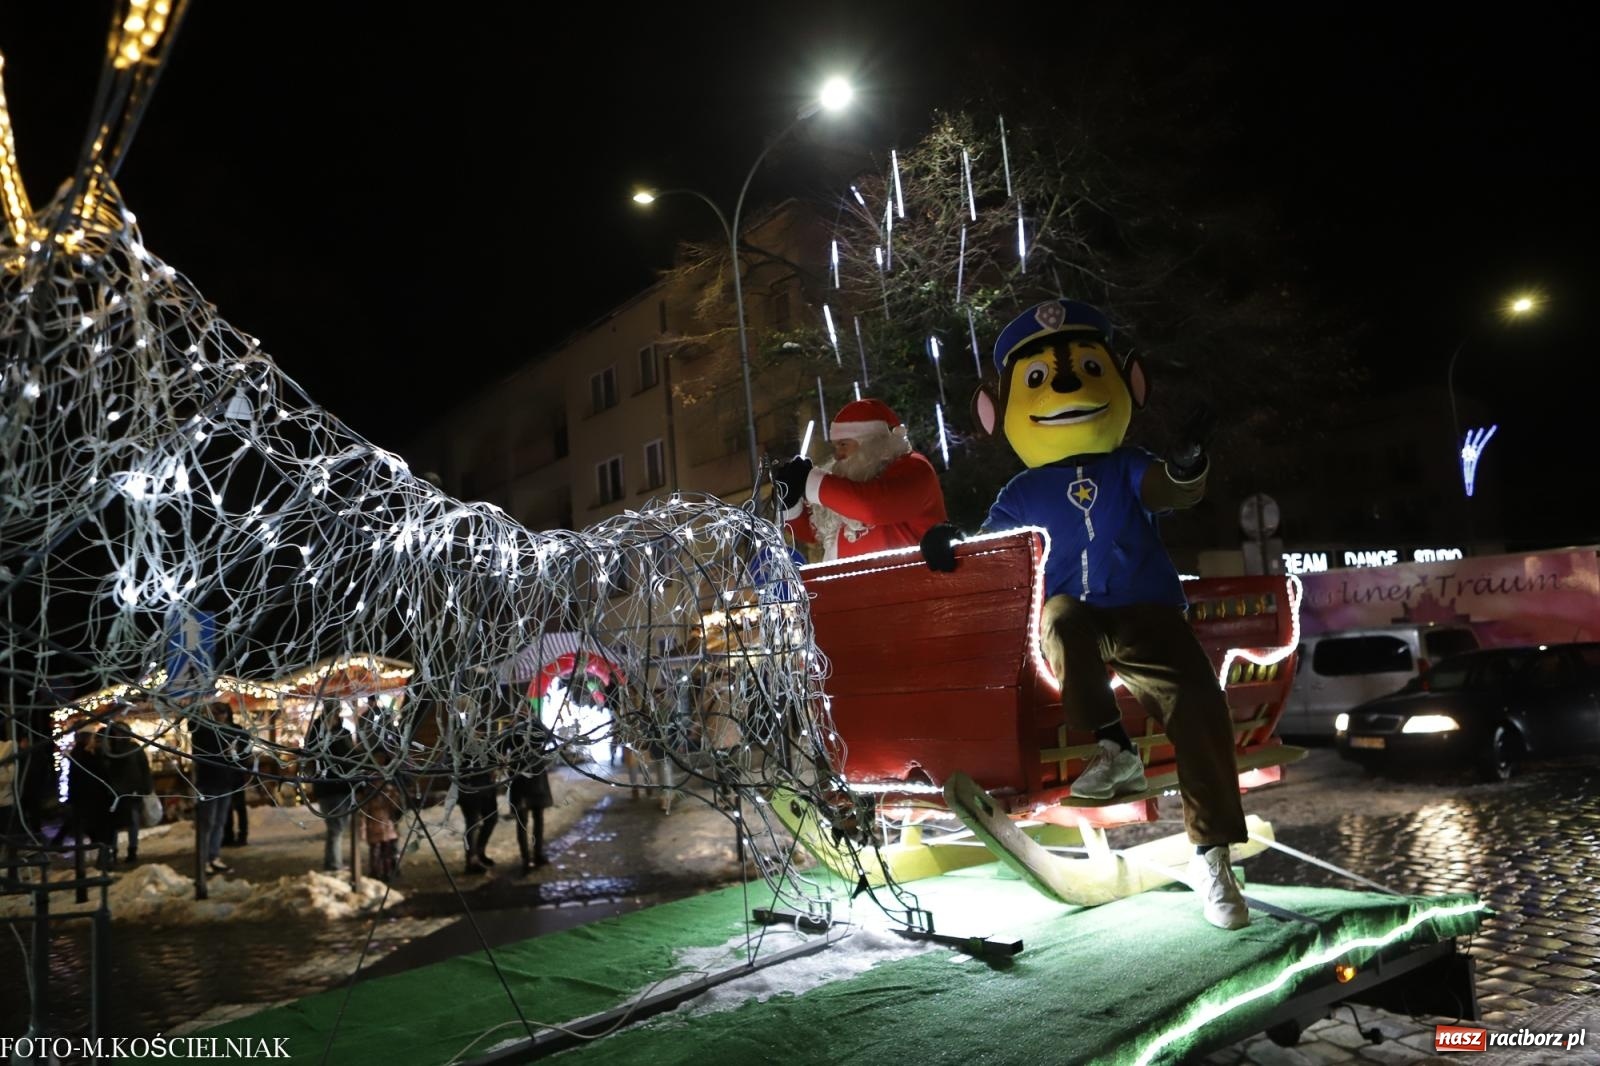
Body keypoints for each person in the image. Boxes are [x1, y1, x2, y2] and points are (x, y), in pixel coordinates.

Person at [920, 299, 1249, 930]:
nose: (1066, 387)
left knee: (1198, 703)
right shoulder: (1021, 491)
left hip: (1147, 610)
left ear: (1128, 383)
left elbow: (1168, 491)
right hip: (1081, 617)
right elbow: (993, 544)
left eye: (1084, 369)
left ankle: (1213, 855)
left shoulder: (1127, 465)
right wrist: (949, 542)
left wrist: (1185, 468)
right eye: (1039, 379)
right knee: (1060, 615)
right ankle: (1112, 746)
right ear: (997, 412)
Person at [772, 398, 948, 561]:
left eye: (843, 444)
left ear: (870, 443)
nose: (837, 455)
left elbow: (873, 507)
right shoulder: (851, 484)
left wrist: (810, 481)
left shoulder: (914, 468)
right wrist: (789, 502)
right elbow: (814, 532)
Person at [305, 700, 357, 873]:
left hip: (342, 785)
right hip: (328, 785)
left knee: (338, 827)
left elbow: (350, 757)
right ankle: (334, 864)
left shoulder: (342, 732)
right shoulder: (318, 732)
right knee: (335, 828)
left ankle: (333, 862)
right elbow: (312, 752)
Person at [187, 702, 237, 875]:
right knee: (207, 823)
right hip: (208, 782)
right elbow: (194, 726)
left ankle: (213, 856)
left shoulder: (228, 730)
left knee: (219, 822)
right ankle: (204, 859)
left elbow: (240, 742)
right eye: (218, 713)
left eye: (223, 712)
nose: (221, 716)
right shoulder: (202, 730)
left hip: (224, 781)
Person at [103, 721, 153, 864]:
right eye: (116, 732)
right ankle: (113, 851)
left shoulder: (134, 748)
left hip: (132, 791)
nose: (119, 735)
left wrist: (146, 787)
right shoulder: (109, 749)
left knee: (133, 822)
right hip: (115, 793)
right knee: (114, 825)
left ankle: (132, 850)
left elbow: (144, 768)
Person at [67, 726, 111, 859]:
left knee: (89, 829)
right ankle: (102, 859)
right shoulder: (87, 755)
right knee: (100, 830)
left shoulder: (76, 754)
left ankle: (98, 857)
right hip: (94, 797)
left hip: (82, 798)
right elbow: (100, 773)